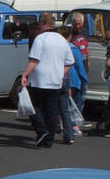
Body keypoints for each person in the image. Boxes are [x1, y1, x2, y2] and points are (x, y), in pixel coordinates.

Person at [20, 12, 72, 149]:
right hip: (55, 80)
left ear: (43, 24)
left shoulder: (40, 38)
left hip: (39, 79)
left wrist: (24, 75)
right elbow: (69, 62)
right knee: (51, 110)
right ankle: (49, 139)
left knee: (32, 106)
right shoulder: (62, 40)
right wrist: (60, 73)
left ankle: (42, 130)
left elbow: (34, 59)